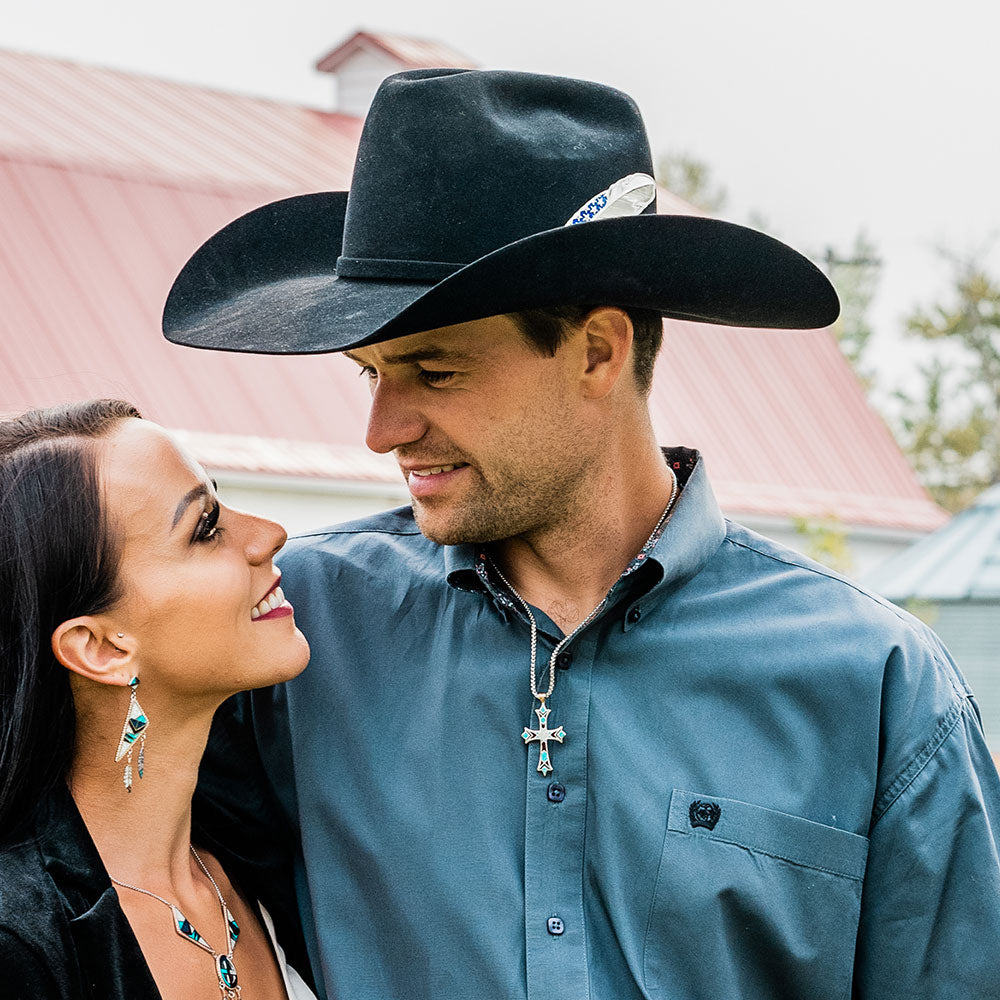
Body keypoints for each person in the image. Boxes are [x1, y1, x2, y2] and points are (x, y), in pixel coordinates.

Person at [165, 70, 1000, 999]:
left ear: (598, 351)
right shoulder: (293, 632)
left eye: (435, 373)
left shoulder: (873, 681)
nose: (383, 429)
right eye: (373, 375)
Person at [0, 400, 318, 1000]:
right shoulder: (20, 946)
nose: (270, 535)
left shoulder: (265, 848)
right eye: (206, 528)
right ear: (101, 647)